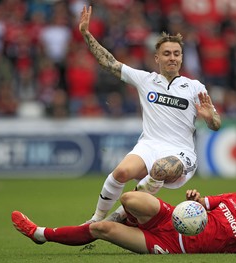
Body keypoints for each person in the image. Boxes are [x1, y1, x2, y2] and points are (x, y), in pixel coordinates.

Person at [78, 5, 221, 223]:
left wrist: (210, 118)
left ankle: (122, 213)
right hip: (149, 144)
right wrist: (87, 35)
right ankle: (96, 219)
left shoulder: (194, 87)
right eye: (166, 54)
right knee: (120, 173)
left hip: (180, 153)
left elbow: (216, 124)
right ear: (157, 58)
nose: (172, 58)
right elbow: (108, 62)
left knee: (159, 168)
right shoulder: (146, 80)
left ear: (182, 57)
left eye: (176, 53)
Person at [12, 175, 236, 255]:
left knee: (101, 230)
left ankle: (40, 234)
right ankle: (132, 218)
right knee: (130, 198)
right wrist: (194, 199)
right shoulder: (234, 198)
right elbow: (204, 202)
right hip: (172, 218)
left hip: (172, 245)